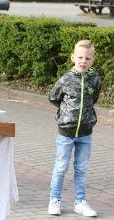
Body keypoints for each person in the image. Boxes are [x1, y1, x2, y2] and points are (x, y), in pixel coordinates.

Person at [47, 40, 102, 217]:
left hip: (86, 132)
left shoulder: (95, 79)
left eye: (87, 58)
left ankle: (80, 202)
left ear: (92, 61)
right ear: (73, 58)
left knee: (81, 169)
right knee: (61, 167)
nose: (83, 61)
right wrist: (66, 114)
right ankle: (54, 200)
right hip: (66, 132)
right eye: (80, 57)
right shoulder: (65, 79)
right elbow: (54, 98)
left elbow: (94, 99)